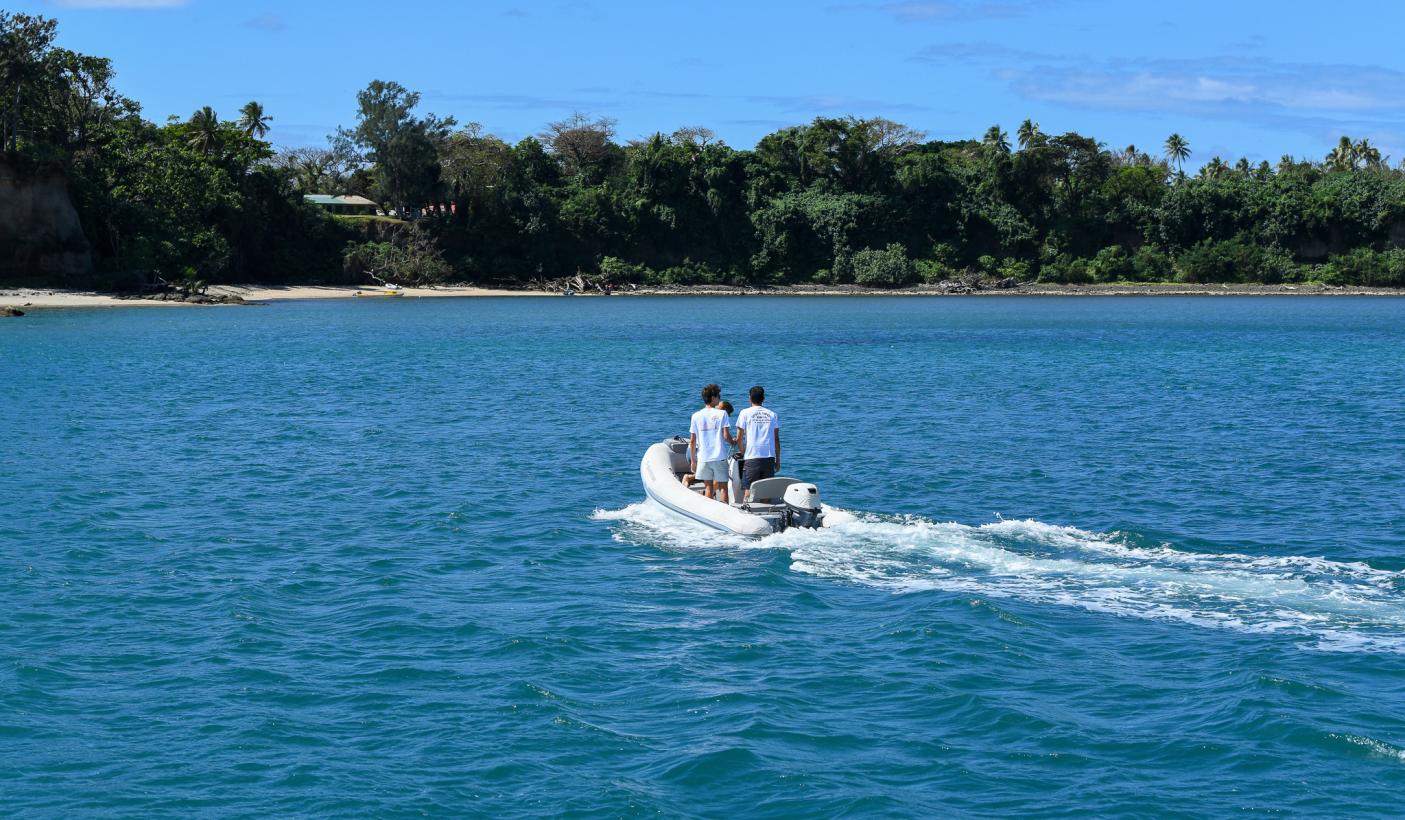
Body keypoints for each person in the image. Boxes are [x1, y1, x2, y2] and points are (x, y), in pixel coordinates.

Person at [688, 383, 733, 501]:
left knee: (708, 488)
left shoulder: (695, 416)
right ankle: (725, 514)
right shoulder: (722, 413)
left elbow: (693, 441)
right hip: (719, 457)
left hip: (703, 457)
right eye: (718, 396)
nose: (720, 398)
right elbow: (726, 435)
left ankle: (710, 513)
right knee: (723, 488)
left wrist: (693, 461)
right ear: (713, 397)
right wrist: (734, 443)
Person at [735, 385, 780, 500]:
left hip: (752, 457)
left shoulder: (744, 413)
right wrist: (778, 460)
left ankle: (748, 510)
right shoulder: (772, 414)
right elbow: (776, 439)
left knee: (748, 489)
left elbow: (739, 438)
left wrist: (743, 452)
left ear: (749, 398)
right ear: (763, 399)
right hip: (769, 457)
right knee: (766, 492)